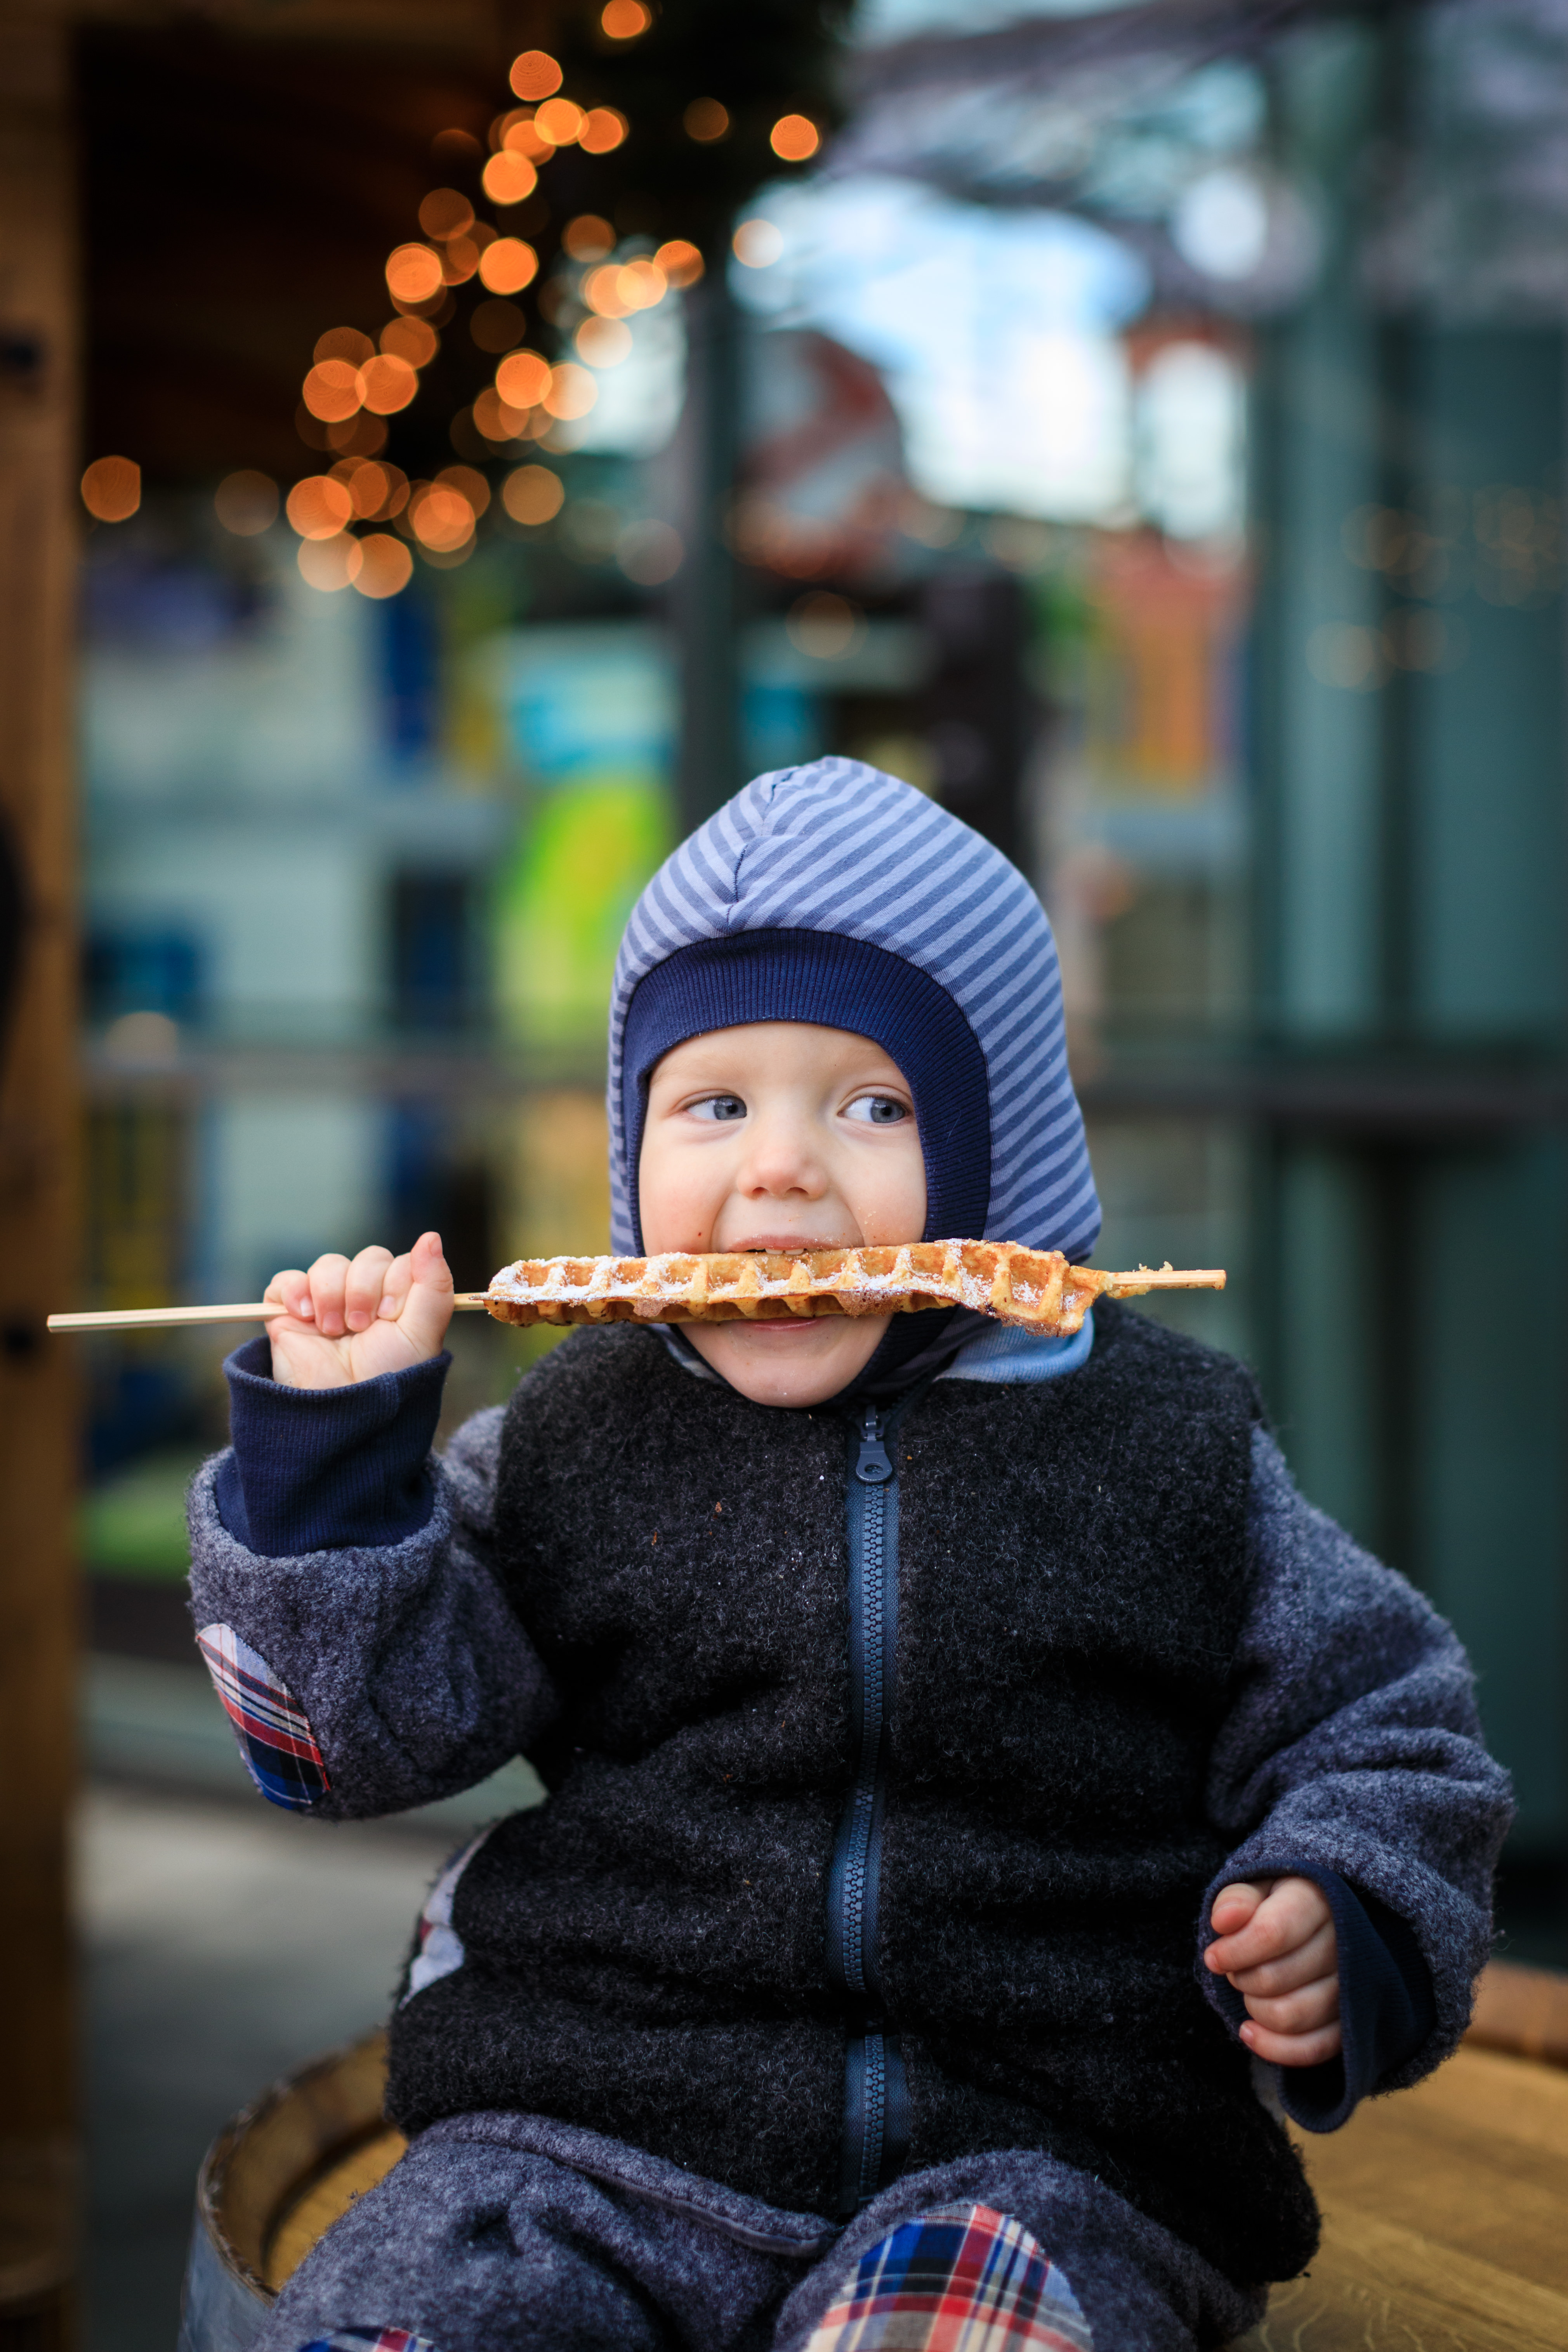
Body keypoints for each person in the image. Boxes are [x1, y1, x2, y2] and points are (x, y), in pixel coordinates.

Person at [188, 761, 1511, 2352]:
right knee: (429, 2307)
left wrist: (1341, 1908)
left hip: (1039, 2156)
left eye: (873, 1105)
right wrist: (331, 1477)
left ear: (997, 1149)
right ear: (629, 1148)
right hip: (587, 2133)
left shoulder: (1165, 1449)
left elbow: (1386, 1726)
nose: (778, 1172)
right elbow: (348, 1748)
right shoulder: (565, 1436)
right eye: (713, 1104)